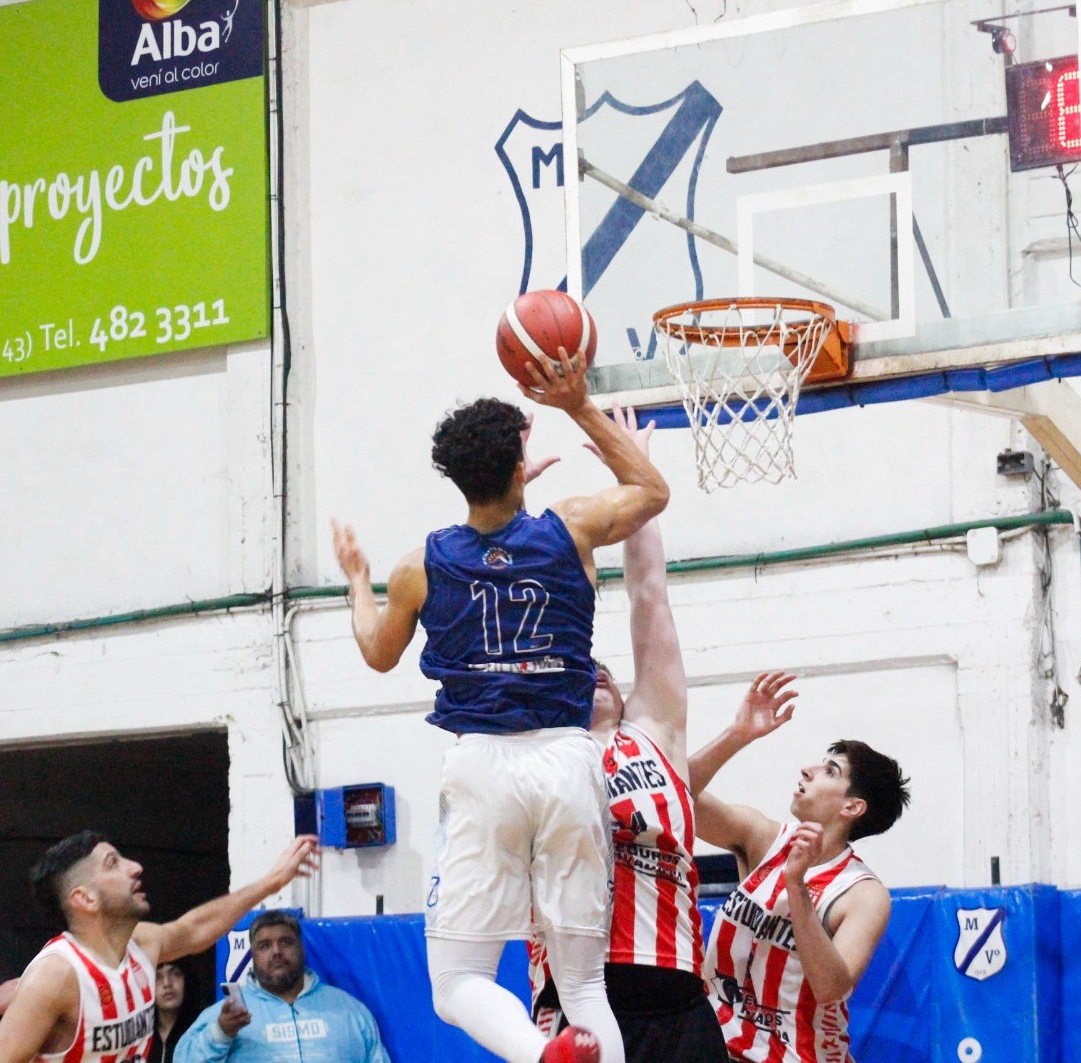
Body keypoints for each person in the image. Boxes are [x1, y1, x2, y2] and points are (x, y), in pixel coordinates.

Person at [332, 349, 669, 1063]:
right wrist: (577, 404)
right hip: (569, 759)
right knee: (584, 988)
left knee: (457, 985)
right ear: (520, 467)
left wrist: (359, 582)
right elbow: (650, 490)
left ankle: (538, 1054)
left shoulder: (420, 566)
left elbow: (377, 653)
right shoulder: (571, 527)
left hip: (483, 766)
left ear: (454, 478)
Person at [532, 410, 788, 1061]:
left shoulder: (652, 733)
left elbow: (649, 597)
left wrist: (634, 477)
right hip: (579, 988)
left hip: (675, 994)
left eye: (606, 671)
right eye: (581, 669)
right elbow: (521, 615)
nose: (596, 672)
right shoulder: (546, 746)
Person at [688, 690, 911, 1062]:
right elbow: (673, 791)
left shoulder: (863, 894)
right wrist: (737, 735)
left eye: (830, 771)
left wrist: (796, 886)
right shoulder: (761, 837)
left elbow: (831, 988)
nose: (808, 769)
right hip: (719, 1047)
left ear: (852, 806)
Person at [0, 831, 319, 1063]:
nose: (134, 866)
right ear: (85, 898)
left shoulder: (141, 944)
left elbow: (195, 929)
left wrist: (272, 882)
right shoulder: (56, 976)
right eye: (113, 864)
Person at [175, 911, 389, 1062]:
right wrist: (221, 1034)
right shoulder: (228, 1017)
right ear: (253, 956)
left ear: (301, 948)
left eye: (286, 942)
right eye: (264, 946)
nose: (276, 952)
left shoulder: (348, 1011)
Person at [148, 959, 198, 1063]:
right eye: (157, 977)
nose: (167, 983)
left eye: (175, 974)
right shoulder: (142, 1036)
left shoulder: (198, 1030)